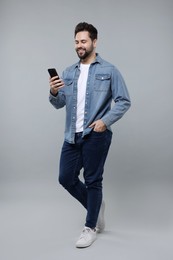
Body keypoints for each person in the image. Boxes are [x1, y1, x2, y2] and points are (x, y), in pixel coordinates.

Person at [49, 22, 131, 248]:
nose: (79, 45)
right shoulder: (68, 72)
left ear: (94, 42)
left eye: (83, 41)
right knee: (66, 178)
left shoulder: (109, 70)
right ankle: (96, 207)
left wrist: (105, 122)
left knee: (93, 180)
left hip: (95, 134)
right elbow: (59, 103)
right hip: (71, 135)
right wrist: (54, 91)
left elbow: (124, 101)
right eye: (76, 41)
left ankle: (90, 226)